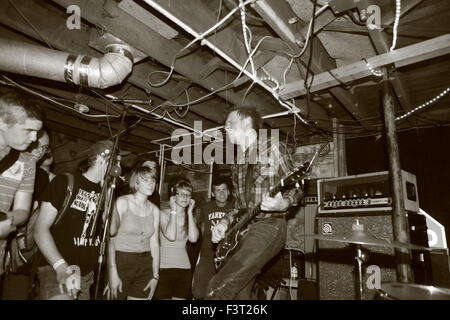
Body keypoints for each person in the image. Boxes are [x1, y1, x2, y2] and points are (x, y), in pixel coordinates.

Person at [206, 106, 303, 300]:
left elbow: (298, 186)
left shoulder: (272, 147)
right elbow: (239, 207)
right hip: (242, 232)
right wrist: (225, 223)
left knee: (218, 287)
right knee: (240, 294)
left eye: (229, 123)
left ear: (247, 123)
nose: (225, 128)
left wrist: (284, 203)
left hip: (269, 226)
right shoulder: (237, 163)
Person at [34, 139, 113, 300]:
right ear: (101, 160)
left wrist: (109, 194)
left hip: (86, 277)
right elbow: (40, 229)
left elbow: (112, 230)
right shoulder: (65, 182)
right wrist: (61, 267)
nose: (119, 167)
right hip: (56, 269)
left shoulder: (106, 192)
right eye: (115, 161)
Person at [2, 129, 54, 299]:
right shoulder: (19, 165)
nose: (41, 151)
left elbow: (27, 213)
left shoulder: (38, 173)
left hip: (20, 241)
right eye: (37, 145)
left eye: (44, 148)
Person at [0, 90, 42, 280]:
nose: (34, 139)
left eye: (37, 132)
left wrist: (6, 221)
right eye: (28, 130)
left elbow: (23, 211)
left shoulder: (27, 162)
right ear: (2, 122)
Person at [105, 166, 160, 300]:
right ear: (136, 182)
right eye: (146, 180)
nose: (150, 183)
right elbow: (111, 239)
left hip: (145, 264)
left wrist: (155, 275)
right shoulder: (123, 202)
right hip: (121, 261)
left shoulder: (155, 210)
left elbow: (155, 244)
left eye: (152, 180)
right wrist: (112, 272)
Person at [153, 178, 199, 300]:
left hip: (184, 269)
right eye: (181, 194)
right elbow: (171, 236)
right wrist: (173, 210)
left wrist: (189, 213)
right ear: (174, 196)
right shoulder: (163, 213)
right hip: (164, 268)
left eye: (188, 194)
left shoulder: (190, 217)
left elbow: (193, 239)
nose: (185, 197)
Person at [191, 177, 234, 299]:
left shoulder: (234, 208)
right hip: (208, 255)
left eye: (224, 189)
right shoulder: (205, 208)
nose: (222, 193)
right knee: (198, 292)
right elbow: (202, 229)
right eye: (218, 190)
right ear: (212, 194)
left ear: (229, 191)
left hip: (228, 257)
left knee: (223, 293)